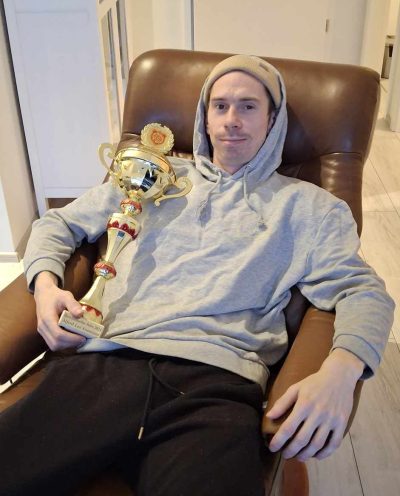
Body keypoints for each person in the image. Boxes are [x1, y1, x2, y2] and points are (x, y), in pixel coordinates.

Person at [0, 55, 394, 496]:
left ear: (273, 119)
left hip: (216, 388)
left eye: (248, 106)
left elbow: (364, 291)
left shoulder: (312, 208)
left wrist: (342, 371)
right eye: (220, 106)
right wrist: (45, 287)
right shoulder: (151, 176)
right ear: (204, 118)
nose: (231, 120)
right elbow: (58, 224)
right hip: (106, 363)